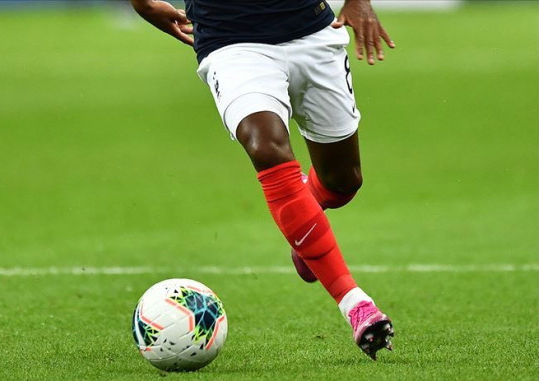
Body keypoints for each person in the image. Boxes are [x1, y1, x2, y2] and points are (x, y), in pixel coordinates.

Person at [128, 0, 395, 360]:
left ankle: (306, 221)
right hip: (231, 44)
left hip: (313, 31)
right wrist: (143, 4)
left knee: (343, 180)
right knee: (266, 147)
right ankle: (356, 304)